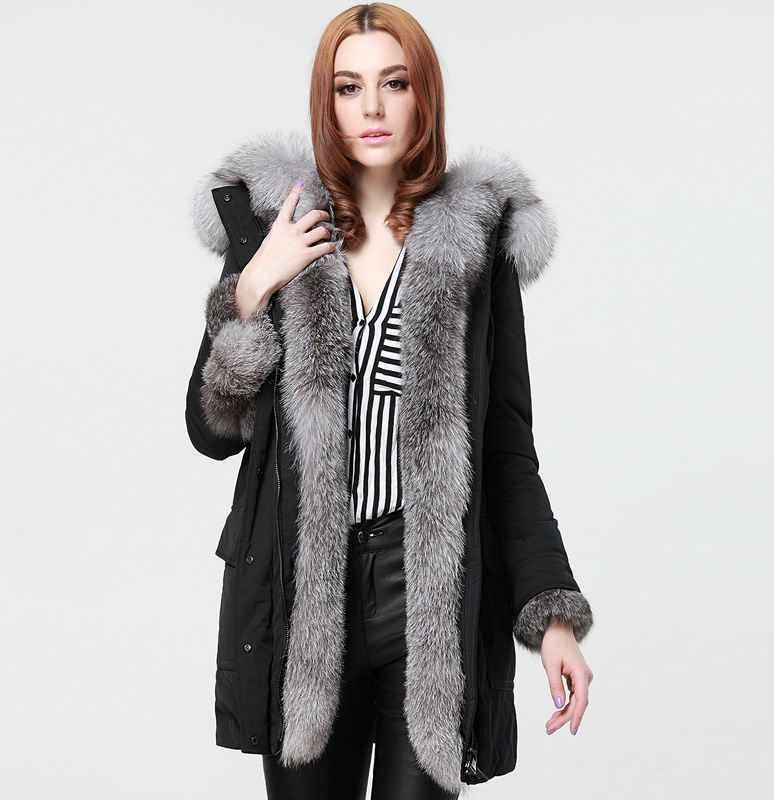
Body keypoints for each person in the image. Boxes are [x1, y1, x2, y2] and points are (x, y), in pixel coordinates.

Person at [186, 3, 595, 798]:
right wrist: (252, 289)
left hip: (429, 596)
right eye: (348, 87)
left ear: (423, 95)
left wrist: (551, 616)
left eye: (394, 83)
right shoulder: (278, 229)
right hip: (306, 597)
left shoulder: (474, 242)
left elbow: (507, 452)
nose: (371, 107)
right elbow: (212, 432)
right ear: (327, 102)